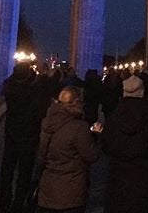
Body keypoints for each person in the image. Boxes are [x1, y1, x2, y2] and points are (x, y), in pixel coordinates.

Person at [102, 74, 148, 213]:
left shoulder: (114, 116)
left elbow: (106, 146)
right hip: (145, 175)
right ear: (142, 91)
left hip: (119, 175)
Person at [36, 85, 101, 213]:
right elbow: (91, 155)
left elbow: (41, 154)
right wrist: (96, 136)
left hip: (48, 186)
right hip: (71, 190)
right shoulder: (79, 127)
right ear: (76, 102)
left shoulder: (48, 123)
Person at [0, 63, 51, 213]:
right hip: (29, 134)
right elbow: (40, 109)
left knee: (7, 169)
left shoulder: (9, 86)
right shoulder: (34, 89)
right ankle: (18, 204)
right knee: (24, 172)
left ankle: (3, 201)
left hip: (11, 132)